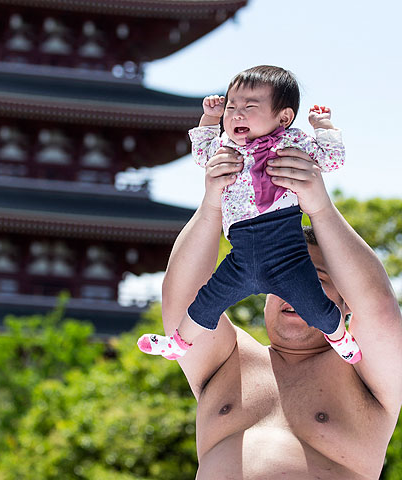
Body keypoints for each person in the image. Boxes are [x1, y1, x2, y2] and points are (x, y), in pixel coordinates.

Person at [136, 140, 402, 477]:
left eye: (312, 279)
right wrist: (212, 205)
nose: (294, 290)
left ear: (347, 301)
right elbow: (183, 302)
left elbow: (378, 308)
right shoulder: (228, 358)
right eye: (284, 279)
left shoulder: (367, 372)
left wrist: (320, 208)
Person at [139, 65, 360, 363]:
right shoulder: (226, 147)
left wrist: (324, 128)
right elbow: (202, 154)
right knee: (206, 302)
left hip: (285, 249)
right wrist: (210, 118)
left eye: (250, 106)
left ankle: (339, 337)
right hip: (241, 253)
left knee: (315, 305)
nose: (237, 114)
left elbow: (331, 161)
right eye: (231, 106)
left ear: (283, 117)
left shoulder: (293, 142)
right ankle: (178, 344)